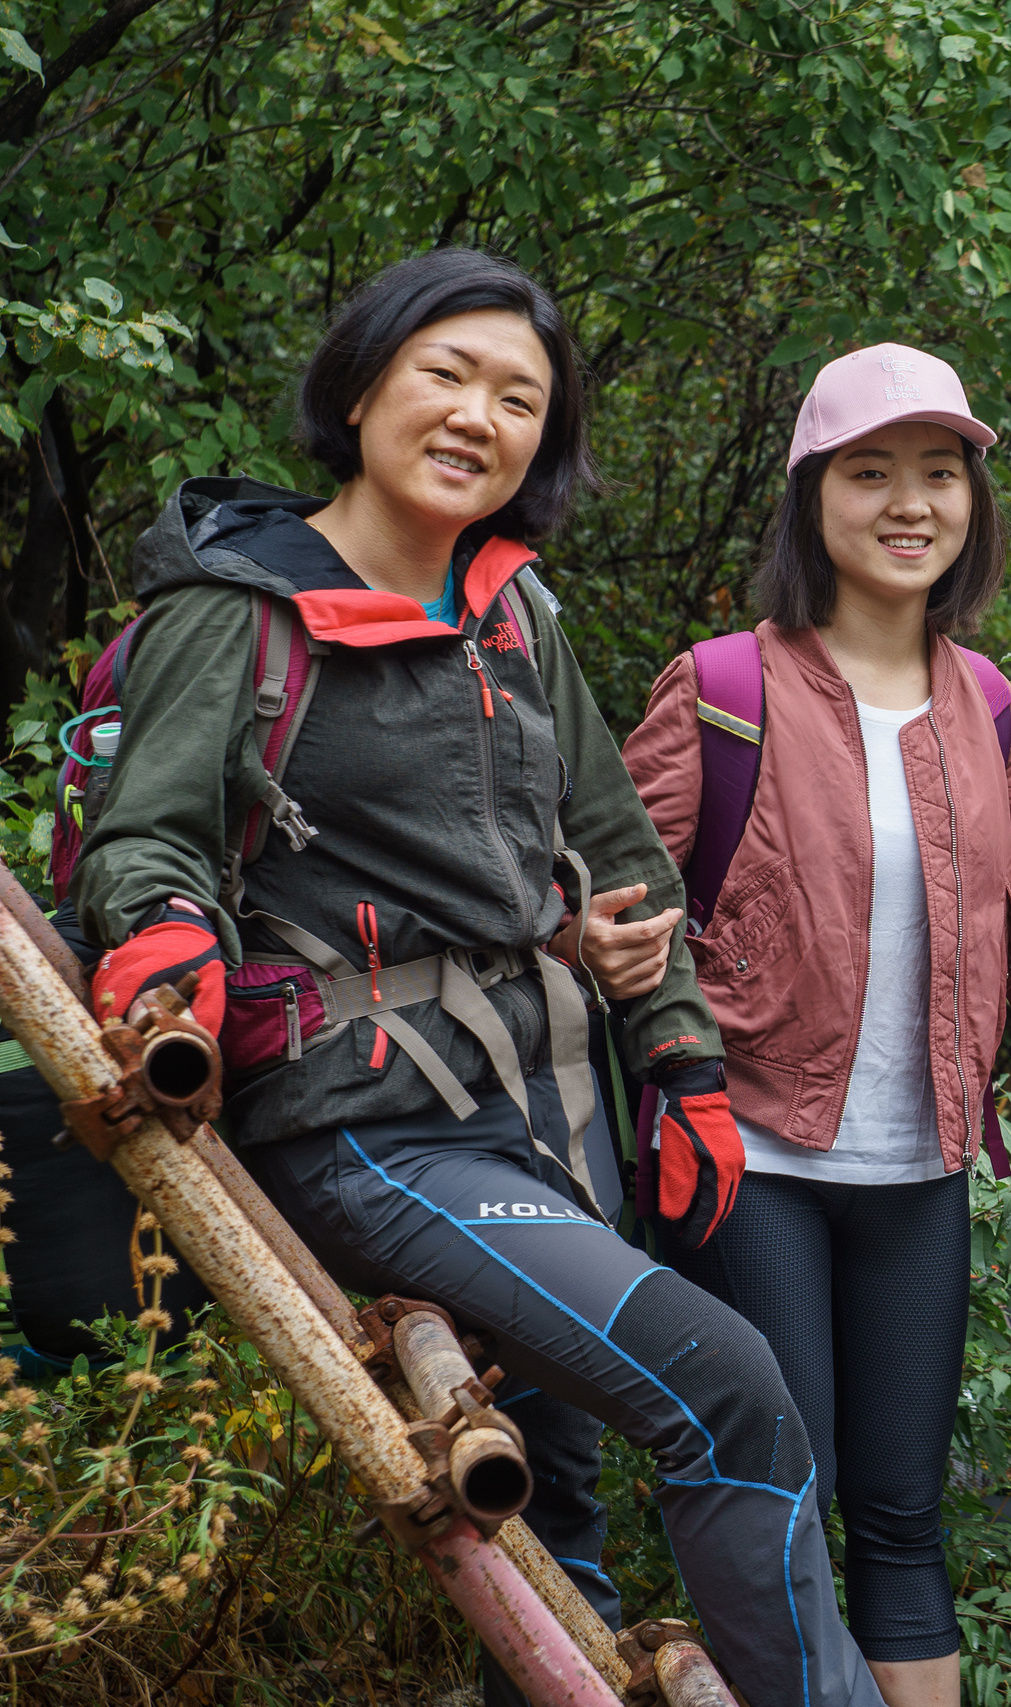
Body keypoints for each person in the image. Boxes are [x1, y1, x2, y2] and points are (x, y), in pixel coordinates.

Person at [73, 249, 872, 1706]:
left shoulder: (518, 615)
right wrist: (167, 945)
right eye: (445, 373)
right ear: (364, 383)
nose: (477, 416)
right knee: (731, 1388)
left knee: (556, 1536)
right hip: (368, 1128)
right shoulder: (235, 610)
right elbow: (146, 844)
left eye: (520, 398)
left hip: (549, 1119)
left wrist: (679, 1052)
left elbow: (617, 849)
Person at [621, 344, 1011, 1705]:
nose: (910, 501)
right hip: (746, 1158)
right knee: (778, 1502)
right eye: (872, 472)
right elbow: (606, 907)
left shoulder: (986, 708)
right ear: (814, 493)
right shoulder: (723, 690)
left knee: (905, 1515)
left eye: (941, 473)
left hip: (919, 1168)